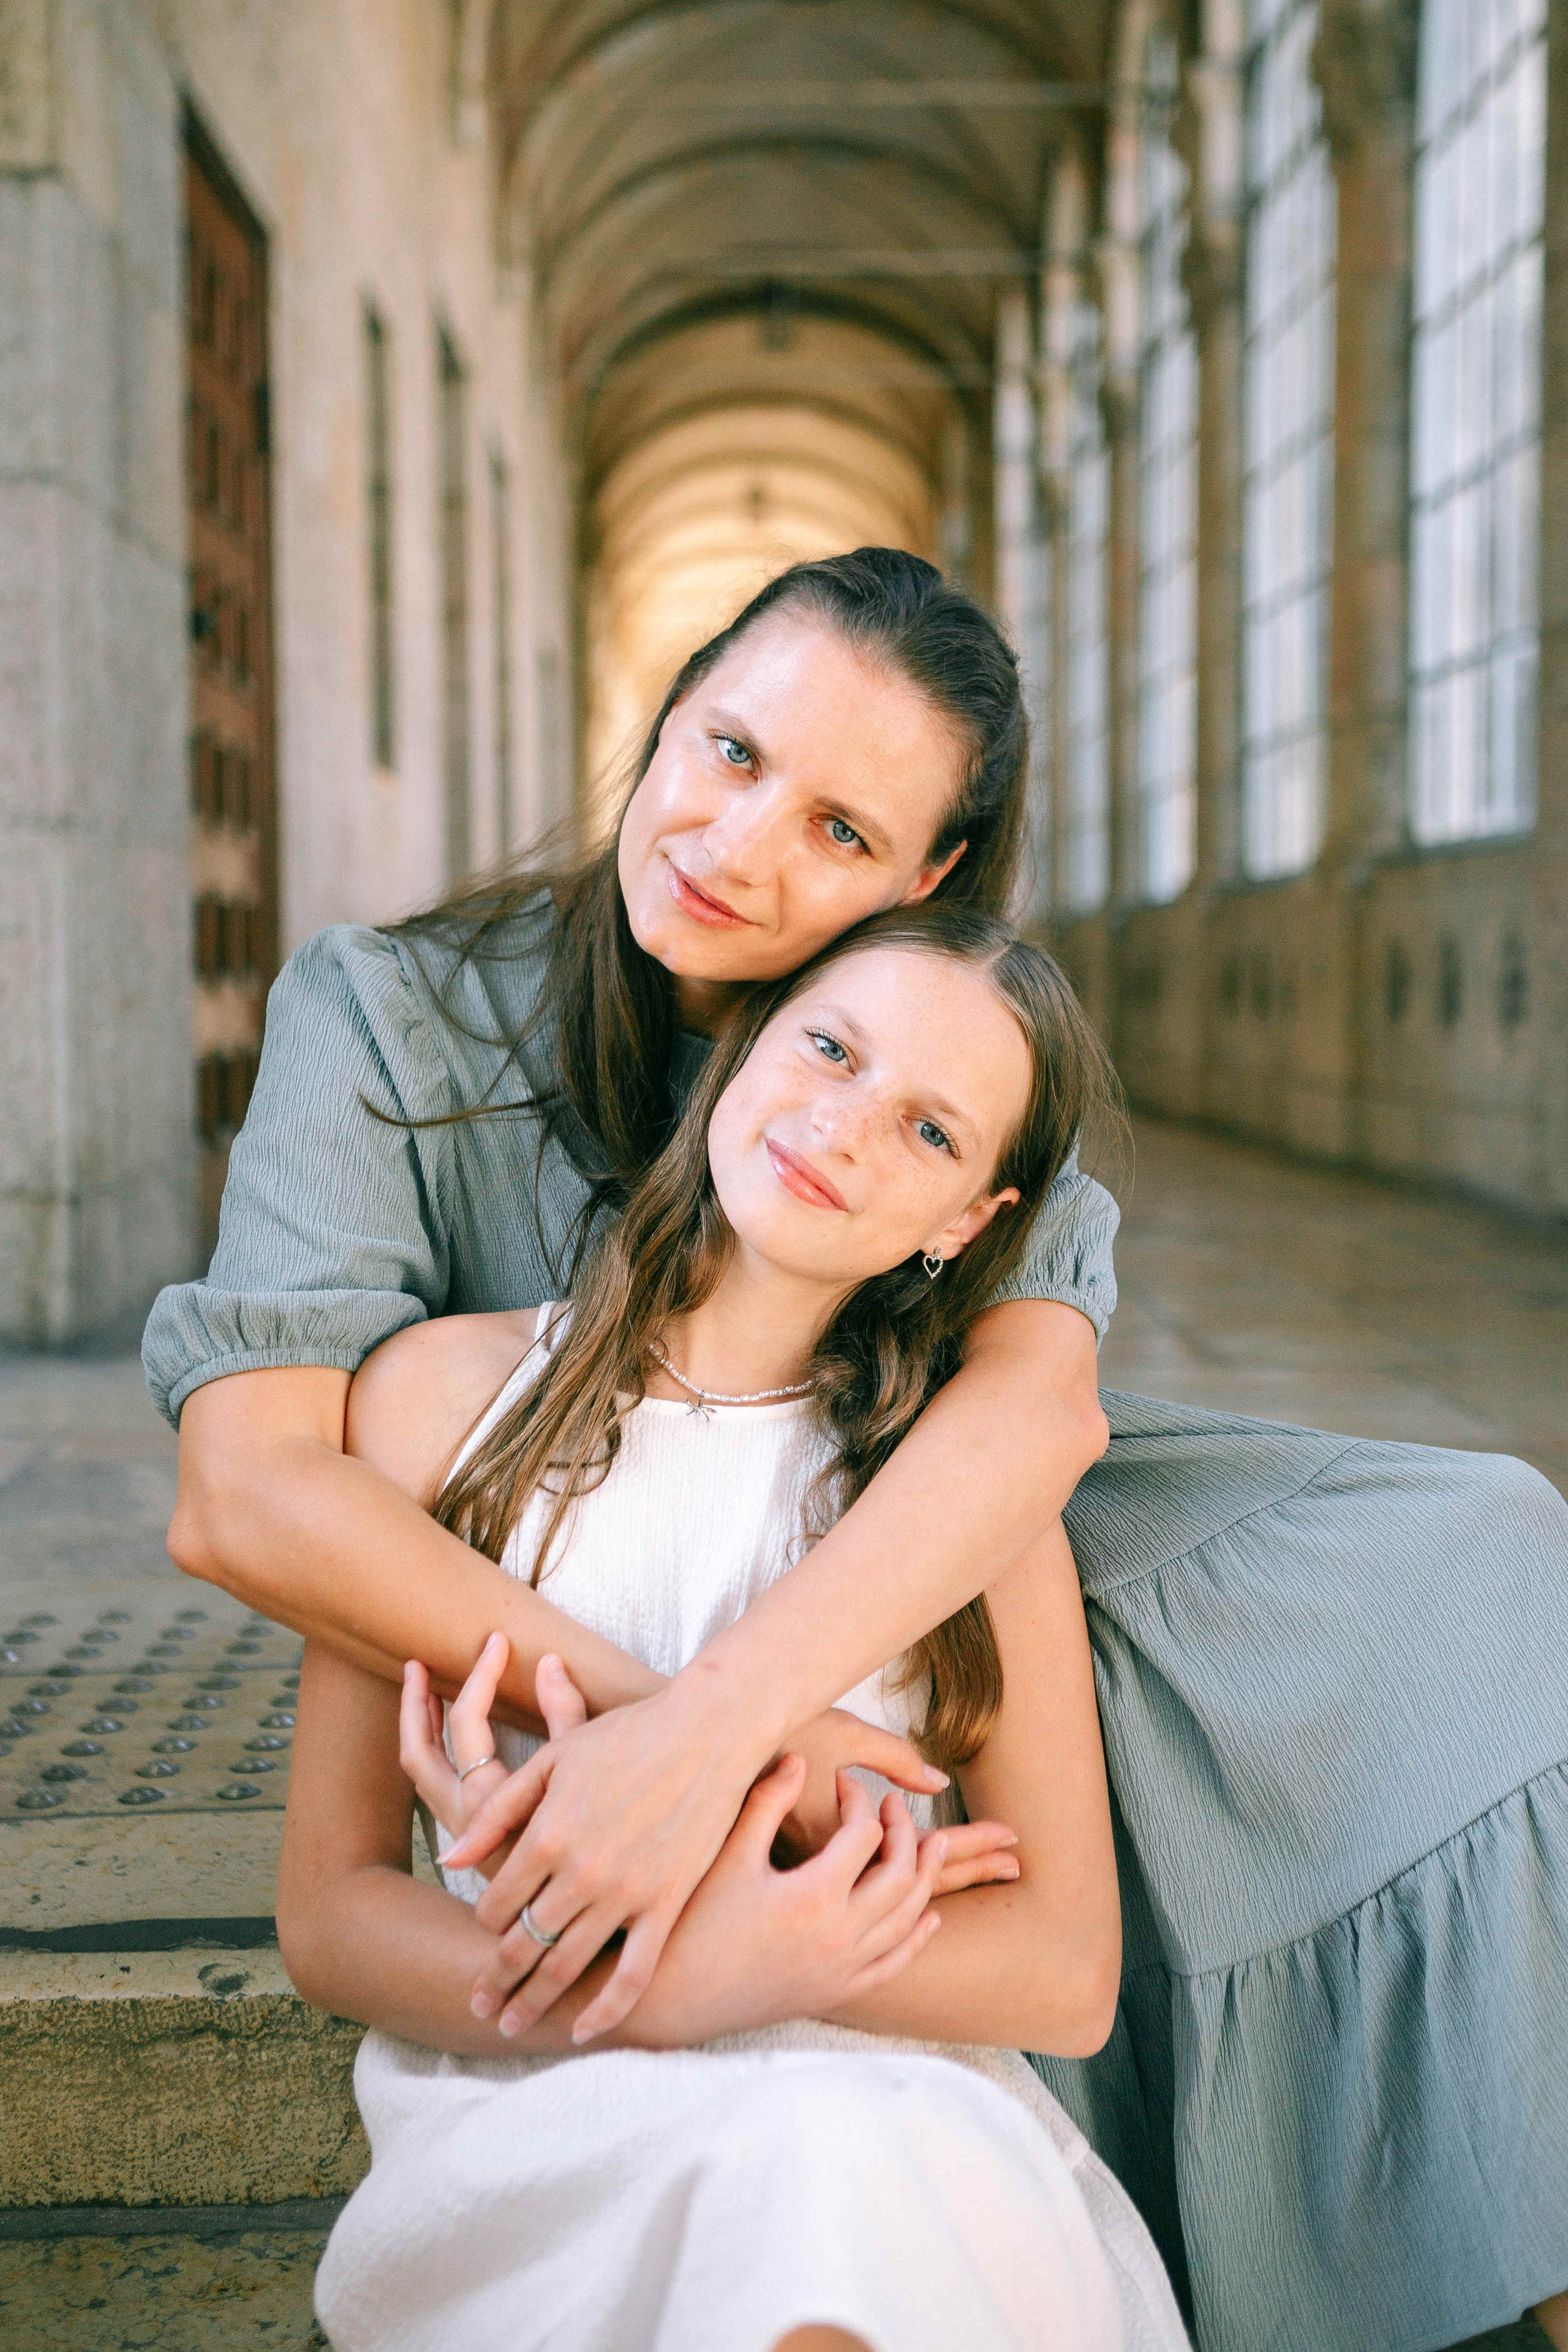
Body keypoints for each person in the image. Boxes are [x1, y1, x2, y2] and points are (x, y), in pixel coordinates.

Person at [146, 549, 1568, 2352]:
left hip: (906, 1503)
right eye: (731, 751)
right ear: (671, 705)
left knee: (1488, 1559)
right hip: (522, 1533)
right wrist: (688, 1736)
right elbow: (251, 1495)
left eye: (837, 830)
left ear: (927, 876)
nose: (737, 848)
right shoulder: (385, 1022)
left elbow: (1026, 1421)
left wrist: (720, 1732)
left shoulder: (938, 1044)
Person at [277, 907, 1189, 2352]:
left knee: (824, 2182)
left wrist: (776, 1965)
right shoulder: (435, 1401)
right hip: (541, 2079)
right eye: (828, 1049)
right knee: (788, 2192)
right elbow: (331, 1910)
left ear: (967, 1221)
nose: (843, 1127)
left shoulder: (959, 1495)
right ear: (746, 1045)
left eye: (929, 1132)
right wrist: (676, 1987)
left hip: (898, 2106)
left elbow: (1065, 1974)